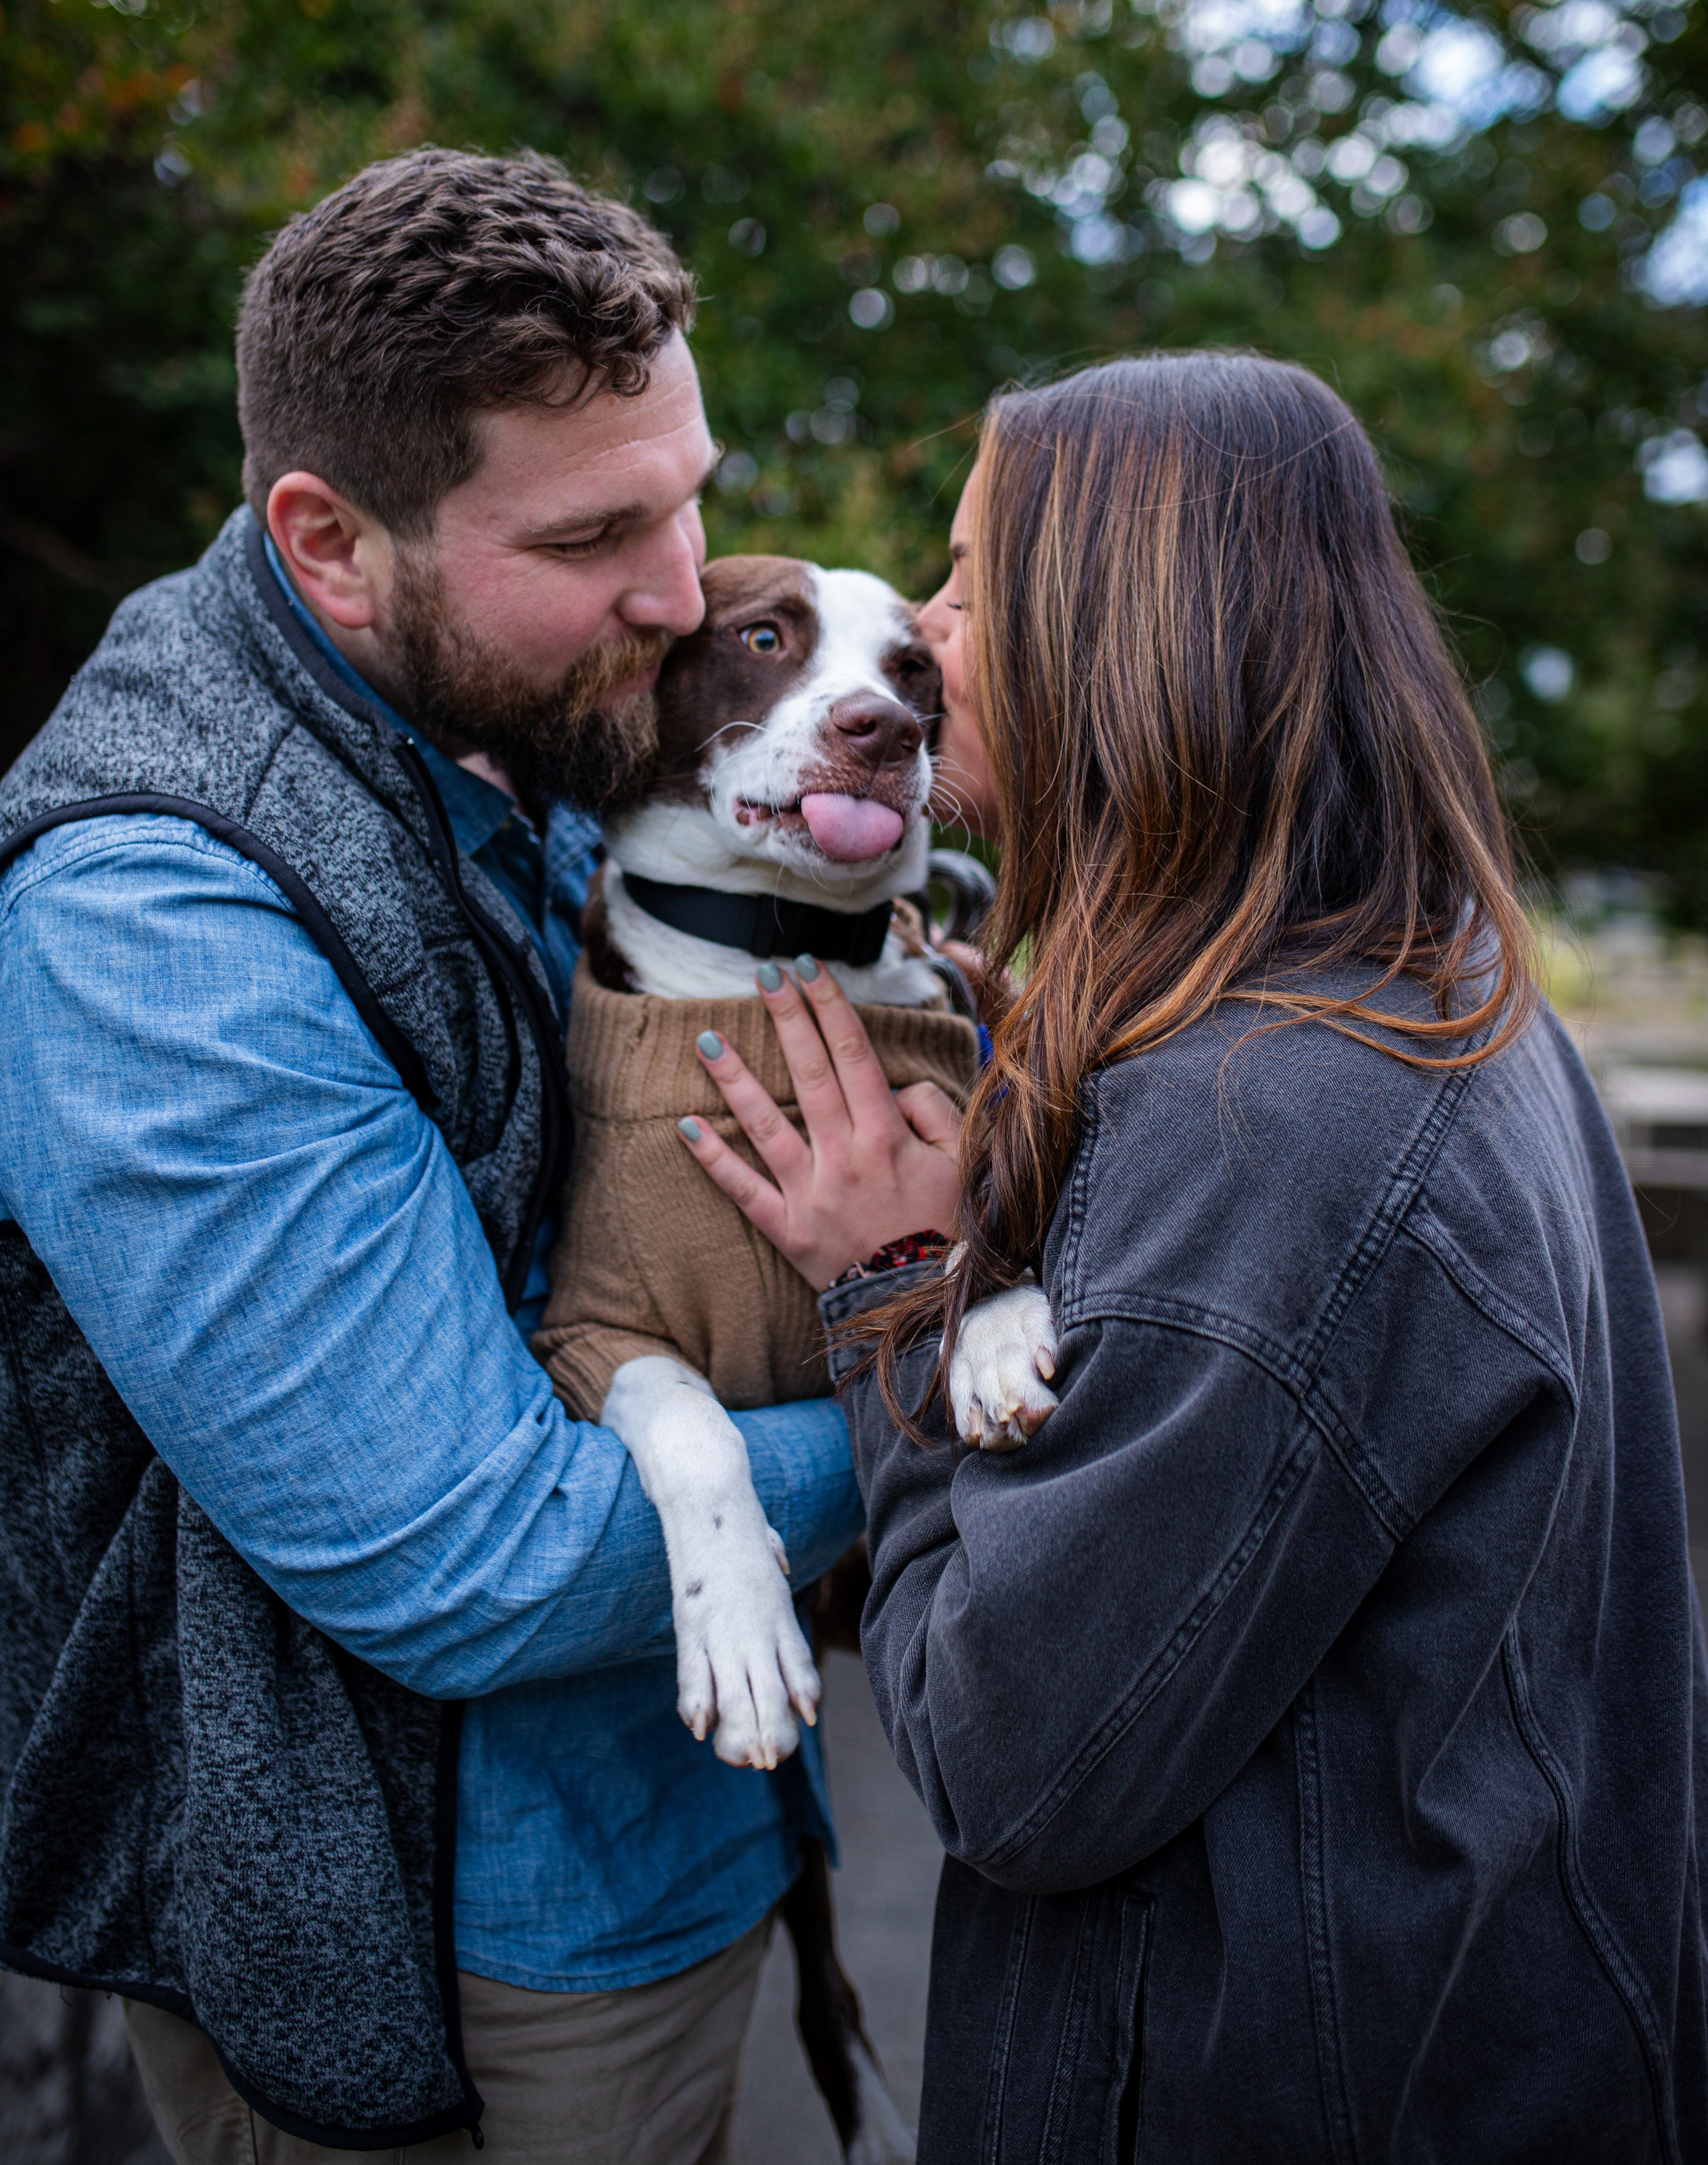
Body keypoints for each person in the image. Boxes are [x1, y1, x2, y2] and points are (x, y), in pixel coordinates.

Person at [676, 351, 1708, 2160]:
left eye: (975, 580)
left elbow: (1016, 1766)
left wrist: (894, 1296)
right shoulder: (1426, 982)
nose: (920, 632)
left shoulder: (1262, 1128)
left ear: (1124, 632)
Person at [0, 148, 862, 2164]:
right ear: (328, 540)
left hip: (695, 1812)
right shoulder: (158, 925)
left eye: (691, 492)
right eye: (593, 535)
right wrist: (928, 1415)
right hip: (462, 1944)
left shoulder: (514, 704)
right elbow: (463, 1560)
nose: (682, 589)